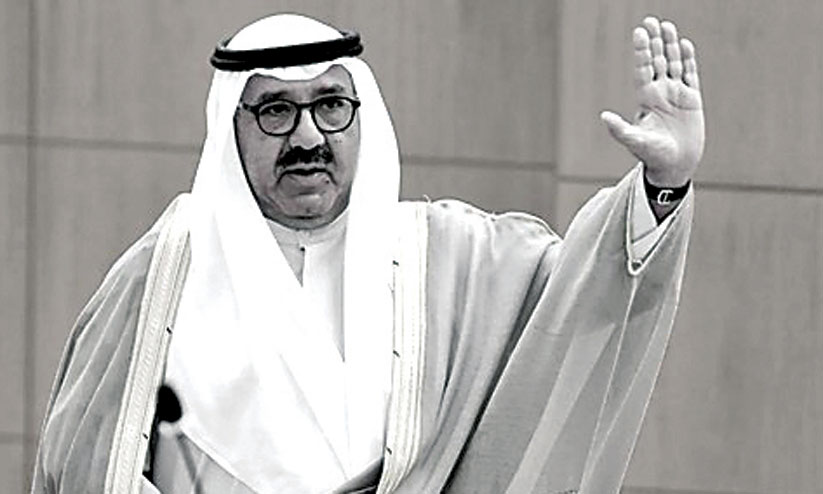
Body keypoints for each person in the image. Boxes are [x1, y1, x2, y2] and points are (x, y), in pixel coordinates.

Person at [30, 12, 704, 494]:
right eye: (275, 111)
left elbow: (576, 306)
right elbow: (86, 461)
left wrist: (661, 186)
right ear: (230, 128)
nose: (307, 137)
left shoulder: (453, 262)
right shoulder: (159, 278)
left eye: (330, 105)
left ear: (361, 116)